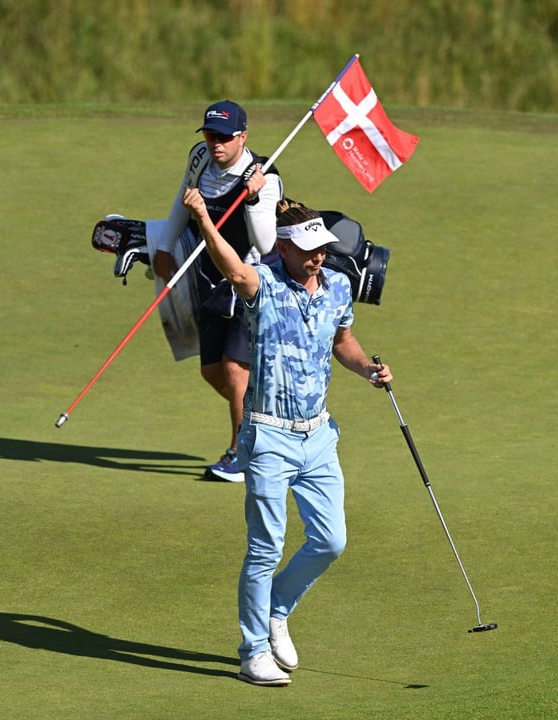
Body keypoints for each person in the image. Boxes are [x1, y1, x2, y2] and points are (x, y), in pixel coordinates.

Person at [182, 189, 391, 687]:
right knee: (265, 548)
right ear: (284, 247)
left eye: (322, 247)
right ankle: (252, 650)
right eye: (308, 249)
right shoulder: (265, 285)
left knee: (331, 540)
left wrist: (368, 369)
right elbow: (233, 270)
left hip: (319, 436)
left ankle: (277, 608)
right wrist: (204, 219)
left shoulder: (337, 286)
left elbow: (343, 340)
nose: (319, 256)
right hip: (269, 436)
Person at [151, 100, 283, 482]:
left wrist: (255, 199)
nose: (216, 144)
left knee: (234, 368)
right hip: (210, 276)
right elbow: (185, 193)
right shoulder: (200, 157)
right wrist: (164, 247)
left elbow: (267, 241)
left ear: (243, 137)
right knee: (211, 372)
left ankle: (242, 453)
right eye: (210, 135)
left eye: (224, 137)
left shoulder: (266, 177)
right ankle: (264, 430)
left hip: (250, 280)